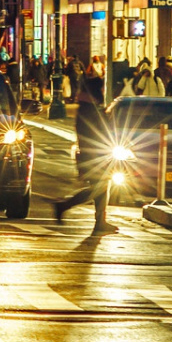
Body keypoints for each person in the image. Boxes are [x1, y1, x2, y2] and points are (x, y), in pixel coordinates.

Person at [52, 76, 115, 229]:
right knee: (99, 187)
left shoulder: (87, 108)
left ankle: (100, 221)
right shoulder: (90, 110)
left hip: (92, 153)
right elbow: (98, 131)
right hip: (94, 154)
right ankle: (65, 205)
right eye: (101, 89)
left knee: (101, 186)